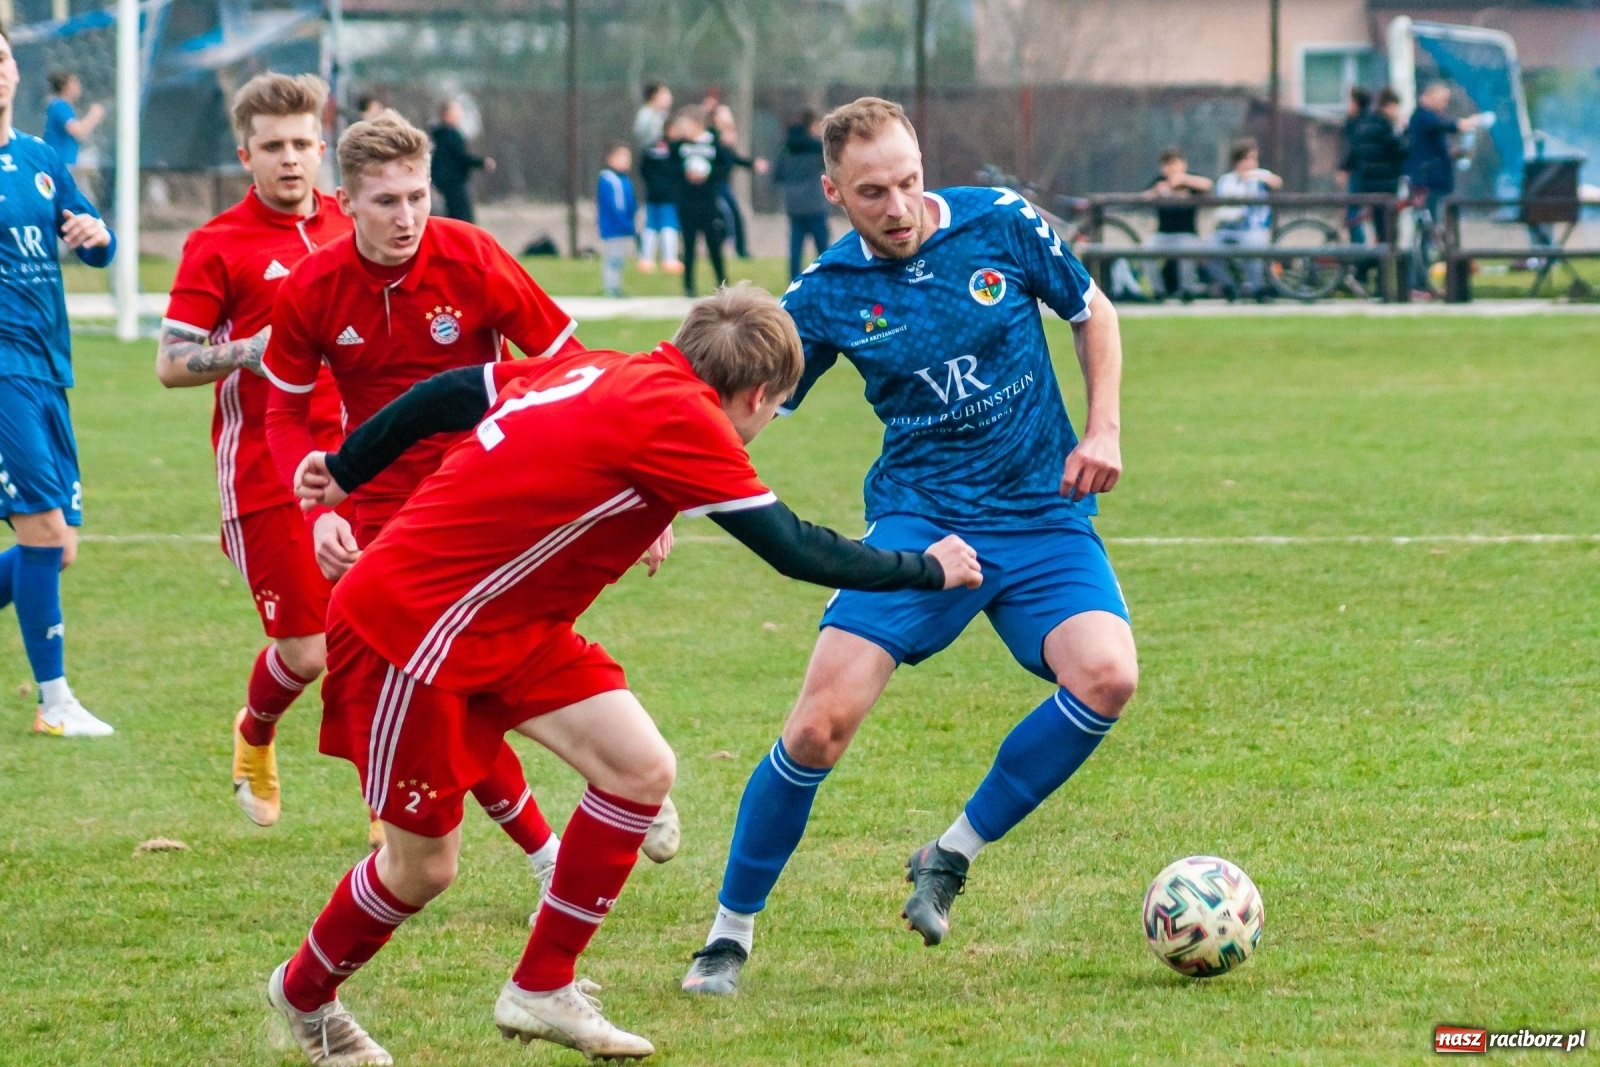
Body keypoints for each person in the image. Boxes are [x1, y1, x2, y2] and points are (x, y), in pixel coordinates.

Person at [267, 283, 983, 1063]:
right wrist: (927, 567)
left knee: (641, 769)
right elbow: (795, 547)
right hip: (413, 630)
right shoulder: (688, 420)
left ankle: (541, 986)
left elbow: (451, 393)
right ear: (754, 396)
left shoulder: (605, 368)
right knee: (422, 869)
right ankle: (304, 997)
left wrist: (345, 466)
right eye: (777, 410)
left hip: (509, 624)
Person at [682, 97, 1137, 995]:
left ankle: (949, 854)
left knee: (1108, 676)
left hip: (1041, 511)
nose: (896, 207)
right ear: (832, 193)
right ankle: (727, 936)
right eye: (872, 192)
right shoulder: (824, 296)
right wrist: (666, 494)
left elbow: (1093, 310)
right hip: (921, 522)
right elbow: (733, 406)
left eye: (909, 182)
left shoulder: (1001, 226)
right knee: (818, 725)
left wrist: (1104, 429)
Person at [259, 110, 622, 870]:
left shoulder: (476, 257)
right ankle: (549, 843)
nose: (407, 216)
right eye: (386, 201)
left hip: (494, 494)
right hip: (386, 509)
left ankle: (618, 776)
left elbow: (572, 365)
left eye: (419, 196)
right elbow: (285, 411)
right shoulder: (313, 287)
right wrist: (317, 501)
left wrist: (629, 481)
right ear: (345, 202)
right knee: (438, 677)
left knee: (491, 662)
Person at [155, 73, 353, 827]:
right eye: (273, 147)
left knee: (383, 632)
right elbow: (172, 363)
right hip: (267, 470)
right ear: (246, 155)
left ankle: (390, 812)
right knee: (307, 653)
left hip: (365, 458)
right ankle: (255, 729)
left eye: (303, 144)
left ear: (323, 146)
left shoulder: (353, 224)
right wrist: (247, 348)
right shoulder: (217, 245)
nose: (291, 160)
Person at [0, 27, 118, 737]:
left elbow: (92, 233)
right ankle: (55, 702)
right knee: (43, 529)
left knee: (58, 547)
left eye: (3, 56)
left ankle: (56, 699)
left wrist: (94, 237)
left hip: (50, 367)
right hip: (3, 370)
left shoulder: (40, 158)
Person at [1345, 88, 1407, 290]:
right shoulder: (1385, 127)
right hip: (1384, 186)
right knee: (1388, 236)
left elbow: (1357, 151)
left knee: (1382, 235)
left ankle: (1370, 279)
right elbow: (1399, 151)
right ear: (1389, 106)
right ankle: (1370, 279)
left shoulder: (1367, 124)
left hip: (1369, 185)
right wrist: (1405, 130)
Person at [1207, 137, 1281, 302]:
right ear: (1237, 160)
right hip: (1227, 228)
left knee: (1252, 247)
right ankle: (1229, 286)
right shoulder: (1226, 180)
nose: (1250, 163)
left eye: (1253, 158)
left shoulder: (1260, 177)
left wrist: (1257, 176)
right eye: (1246, 158)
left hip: (1253, 228)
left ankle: (1258, 289)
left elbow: (1276, 183)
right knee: (1207, 250)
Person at [1141, 148, 1211, 302]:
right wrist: (1157, 191)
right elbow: (1143, 198)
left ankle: (1186, 290)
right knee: (1146, 250)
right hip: (1163, 235)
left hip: (1187, 234)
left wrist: (1184, 180)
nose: (1172, 169)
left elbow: (1207, 185)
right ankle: (1158, 292)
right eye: (1168, 165)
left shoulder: (1191, 181)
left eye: (1175, 164)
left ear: (1183, 164)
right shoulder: (1159, 181)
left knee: (1188, 250)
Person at [774, 109, 831, 281]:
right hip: (815, 202)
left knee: (795, 247)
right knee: (823, 246)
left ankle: (794, 280)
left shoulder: (786, 148)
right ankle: (828, 276)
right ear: (811, 125)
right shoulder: (817, 147)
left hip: (794, 204)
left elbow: (778, 174)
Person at [428, 99, 494, 224]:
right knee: (463, 221)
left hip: (439, 184)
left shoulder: (436, 135)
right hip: (454, 185)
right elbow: (462, 157)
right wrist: (482, 163)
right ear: (448, 114)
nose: (460, 114)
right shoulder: (451, 135)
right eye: (457, 111)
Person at [42, 70, 104, 194]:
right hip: (61, 164)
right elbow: (78, 131)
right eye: (75, 82)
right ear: (65, 86)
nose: (78, 86)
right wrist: (94, 115)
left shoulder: (62, 106)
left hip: (66, 164)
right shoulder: (59, 105)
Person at [636, 119, 682, 274]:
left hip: (652, 193)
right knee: (669, 227)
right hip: (670, 195)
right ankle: (669, 260)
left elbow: (643, 169)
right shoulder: (677, 148)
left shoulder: (652, 147)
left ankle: (646, 260)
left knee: (651, 227)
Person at [596, 142, 638, 297]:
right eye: (622, 157)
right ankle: (610, 288)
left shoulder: (624, 180)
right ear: (611, 159)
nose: (626, 161)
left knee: (620, 259)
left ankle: (616, 286)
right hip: (614, 227)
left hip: (624, 226)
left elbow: (630, 204)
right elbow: (615, 205)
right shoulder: (609, 179)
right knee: (612, 258)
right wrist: (623, 223)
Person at [1338, 86, 1373, 245]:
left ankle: (1359, 248)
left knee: (1352, 210)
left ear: (1356, 103)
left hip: (1359, 172)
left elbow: (1353, 150)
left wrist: (1344, 168)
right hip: (1370, 172)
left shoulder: (1355, 124)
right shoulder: (1372, 120)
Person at [632, 80, 672, 151]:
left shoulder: (661, 113)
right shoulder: (646, 115)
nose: (669, 98)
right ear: (654, 96)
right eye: (665, 94)